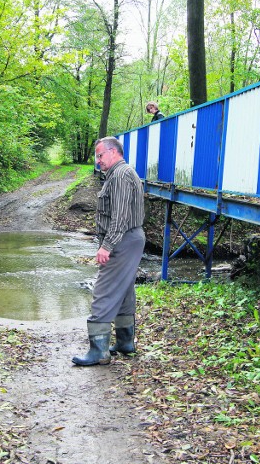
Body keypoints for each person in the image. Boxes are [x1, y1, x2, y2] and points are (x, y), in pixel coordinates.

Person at [72, 137, 146, 366]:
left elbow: (121, 216)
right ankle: (125, 342)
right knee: (124, 290)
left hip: (123, 239)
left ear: (113, 152)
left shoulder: (122, 175)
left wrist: (107, 246)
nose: (97, 161)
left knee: (103, 290)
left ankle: (99, 351)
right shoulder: (118, 174)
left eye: (100, 155)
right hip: (129, 238)